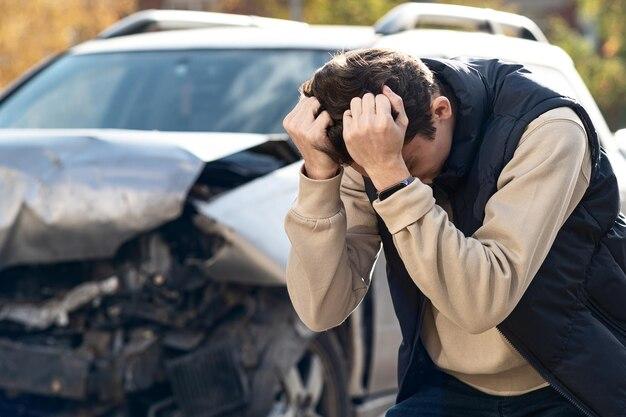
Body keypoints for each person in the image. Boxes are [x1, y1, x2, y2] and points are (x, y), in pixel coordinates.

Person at [282, 48, 626, 417]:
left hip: (572, 384)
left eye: (408, 162)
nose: (382, 177)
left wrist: (394, 177)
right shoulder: (373, 144)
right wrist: (319, 176)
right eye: (372, 169)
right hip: (451, 386)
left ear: (441, 111)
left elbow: (480, 302)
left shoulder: (547, 129)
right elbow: (321, 310)